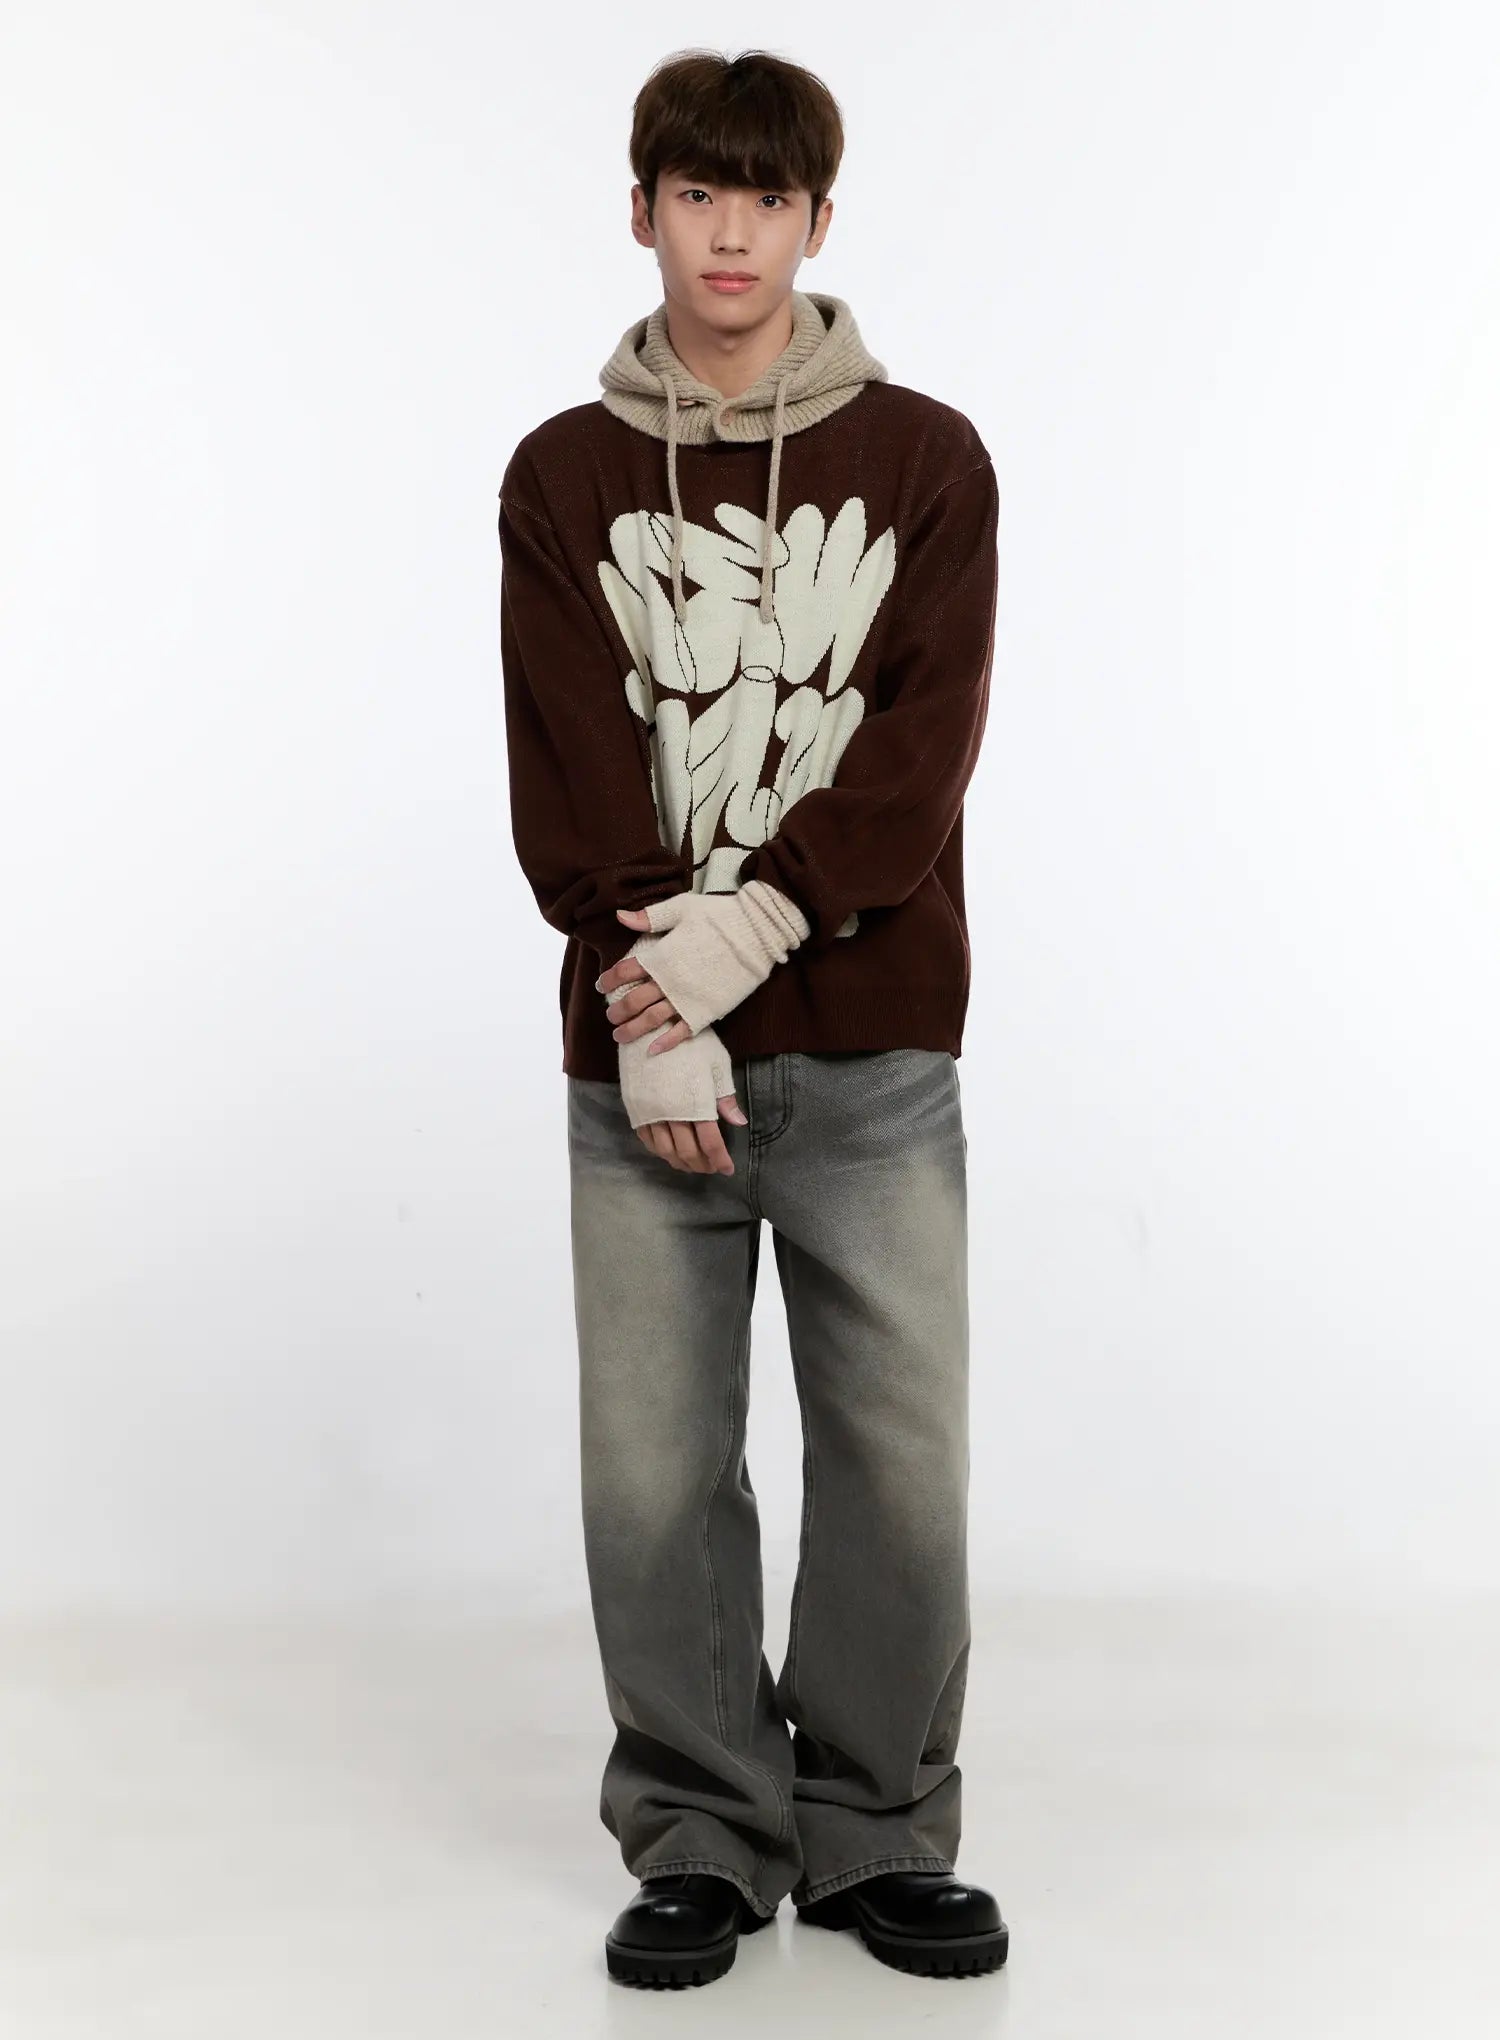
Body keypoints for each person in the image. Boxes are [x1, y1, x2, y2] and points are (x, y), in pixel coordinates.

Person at [498, 46, 1007, 1989]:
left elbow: (919, 753)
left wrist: (754, 932)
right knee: (652, 1474)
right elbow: (566, 759)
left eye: (768, 200)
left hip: (875, 1044)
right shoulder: (564, 474)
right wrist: (657, 1003)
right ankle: (703, 1832)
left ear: (817, 221)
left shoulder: (930, 460)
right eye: (698, 195)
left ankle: (878, 1830)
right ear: (641, 212)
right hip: (641, 1052)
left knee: (897, 1461)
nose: (732, 233)